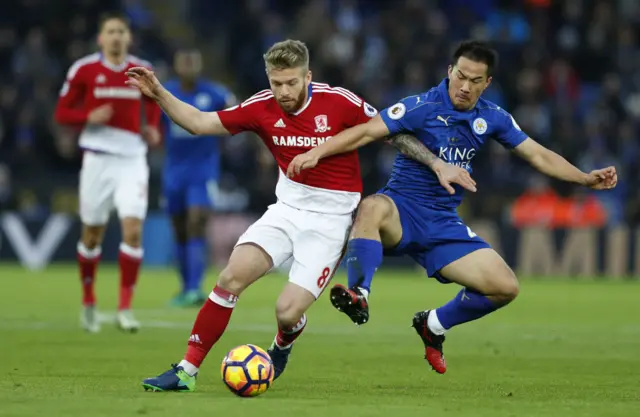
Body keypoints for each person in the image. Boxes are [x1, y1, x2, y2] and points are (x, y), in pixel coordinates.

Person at [126, 39, 451, 392]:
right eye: (276, 83)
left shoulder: (339, 101)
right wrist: (158, 92)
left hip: (331, 221)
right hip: (286, 210)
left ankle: (285, 339)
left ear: (307, 76)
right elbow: (200, 123)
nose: (283, 91)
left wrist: (436, 163)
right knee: (230, 277)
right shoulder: (261, 106)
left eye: (291, 83)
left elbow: (393, 130)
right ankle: (186, 371)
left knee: (286, 312)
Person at [287, 40, 617, 374]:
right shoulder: (421, 106)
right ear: (450, 71)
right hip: (400, 210)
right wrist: (318, 152)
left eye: (475, 80)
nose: (464, 86)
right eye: (460, 76)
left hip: (443, 223)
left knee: (505, 287)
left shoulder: (493, 117)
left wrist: (584, 178)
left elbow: (538, 154)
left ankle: (433, 325)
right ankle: (359, 292)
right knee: (371, 207)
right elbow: (365, 132)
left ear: (487, 83)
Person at [54, 12, 161, 333]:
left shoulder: (141, 69)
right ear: (101, 38)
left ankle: (124, 309)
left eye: (121, 32)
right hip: (97, 159)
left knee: (133, 230)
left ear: (128, 38)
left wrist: (153, 128)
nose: (116, 37)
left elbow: (154, 102)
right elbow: (62, 113)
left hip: (131, 159)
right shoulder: (84, 69)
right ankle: (89, 300)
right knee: (92, 235)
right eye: (110, 32)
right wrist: (89, 115)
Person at [161, 48, 236, 307]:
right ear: (177, 64)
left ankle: (195, 288)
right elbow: (151, 124)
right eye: (185, 60)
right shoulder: (166, 93)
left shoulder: (215, 93)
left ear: (200, 64)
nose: (189, 65)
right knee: (180, 228)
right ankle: (186, 288)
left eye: (194, 60)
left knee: (196, 222)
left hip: (203, 171)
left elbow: (239, 114)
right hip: (173, 173)